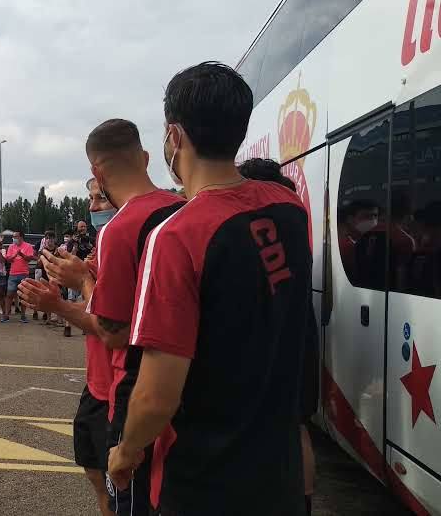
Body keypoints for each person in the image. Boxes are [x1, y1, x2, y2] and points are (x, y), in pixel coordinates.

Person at [106, 62, 311, 515]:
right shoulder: (289, 208)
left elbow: (157, 395)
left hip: (204, 482)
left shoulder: (179, 235)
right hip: (280, 477)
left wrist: (127, 449)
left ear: (174, 137)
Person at [21, 119, 185, 515]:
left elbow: (115, 332)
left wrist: (66, 296)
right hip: (174, 384)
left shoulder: (121, 229)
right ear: (145, 158)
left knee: (127, 493)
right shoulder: (183, 211)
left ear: (98, 171)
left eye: (97, 197)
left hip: (131, 388)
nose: (94, 207)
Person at [239, 156, 320, 516]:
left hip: (269, 334)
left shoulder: (255, 220)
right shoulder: (293, 212)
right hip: (300, 330)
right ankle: (301, 502)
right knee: (296, 424)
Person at [3, 229, 35, 323]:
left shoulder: (28, 246)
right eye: (13, 237)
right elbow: (8, 259)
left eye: (16, 237)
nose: (14, 238)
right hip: (13, 274)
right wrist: (15, 255)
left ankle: (23, 315)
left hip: (24, 273)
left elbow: (29, 258)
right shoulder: (11, 246)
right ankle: (6, 315)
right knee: (9, 295)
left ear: (21, 237)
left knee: (23, 296)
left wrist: (21, 254)